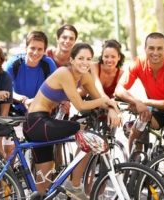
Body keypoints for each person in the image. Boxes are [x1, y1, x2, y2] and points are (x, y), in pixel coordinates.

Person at [23, 43, 121, 198]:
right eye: (80, 58)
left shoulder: (85, 76)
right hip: (36, 123)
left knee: (44, 187)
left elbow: (99, 99)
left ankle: (59, 189)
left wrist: (111, 109)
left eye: (88, 59)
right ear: (72, 60)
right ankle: (74, 185)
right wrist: (106, 101)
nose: (85, 62)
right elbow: (81, 105)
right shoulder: (64, 73)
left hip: (44, 123)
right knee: (87, 135)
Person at [115, 32, 164, 153]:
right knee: (139, 125)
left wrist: (144, 102)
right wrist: (136, 102)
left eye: (159, 48)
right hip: (157, 108)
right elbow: (119, 89)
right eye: (151, 48)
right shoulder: (139, 62)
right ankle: (133, 166)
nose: (155, 52)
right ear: (145, 49)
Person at [5, 31, 56, 115]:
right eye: (32, 48)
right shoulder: (13, 63)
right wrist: (23, 99)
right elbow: (5, 89)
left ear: (44, 51)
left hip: (40, 109)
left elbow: (54, 89)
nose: (35, 53)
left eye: (40, 49)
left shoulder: (49, 64)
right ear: (26, 48)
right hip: (16, 110)